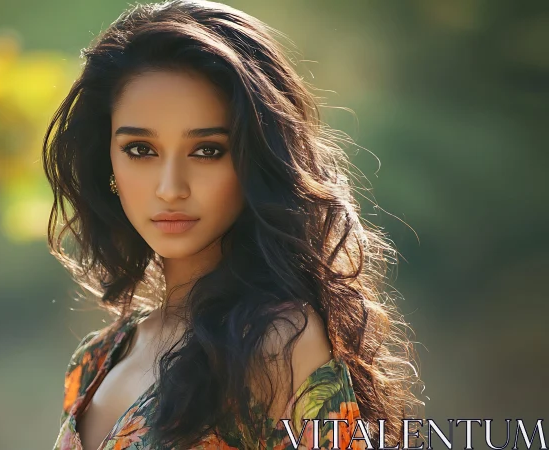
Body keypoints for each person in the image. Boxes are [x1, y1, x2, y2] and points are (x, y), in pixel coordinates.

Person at [43, 1, 423, 448]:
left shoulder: (278, 344)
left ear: (253, 161)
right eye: (141, 150)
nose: (170, 188)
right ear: (107, 160)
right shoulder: (94, 361)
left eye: (207, 151)